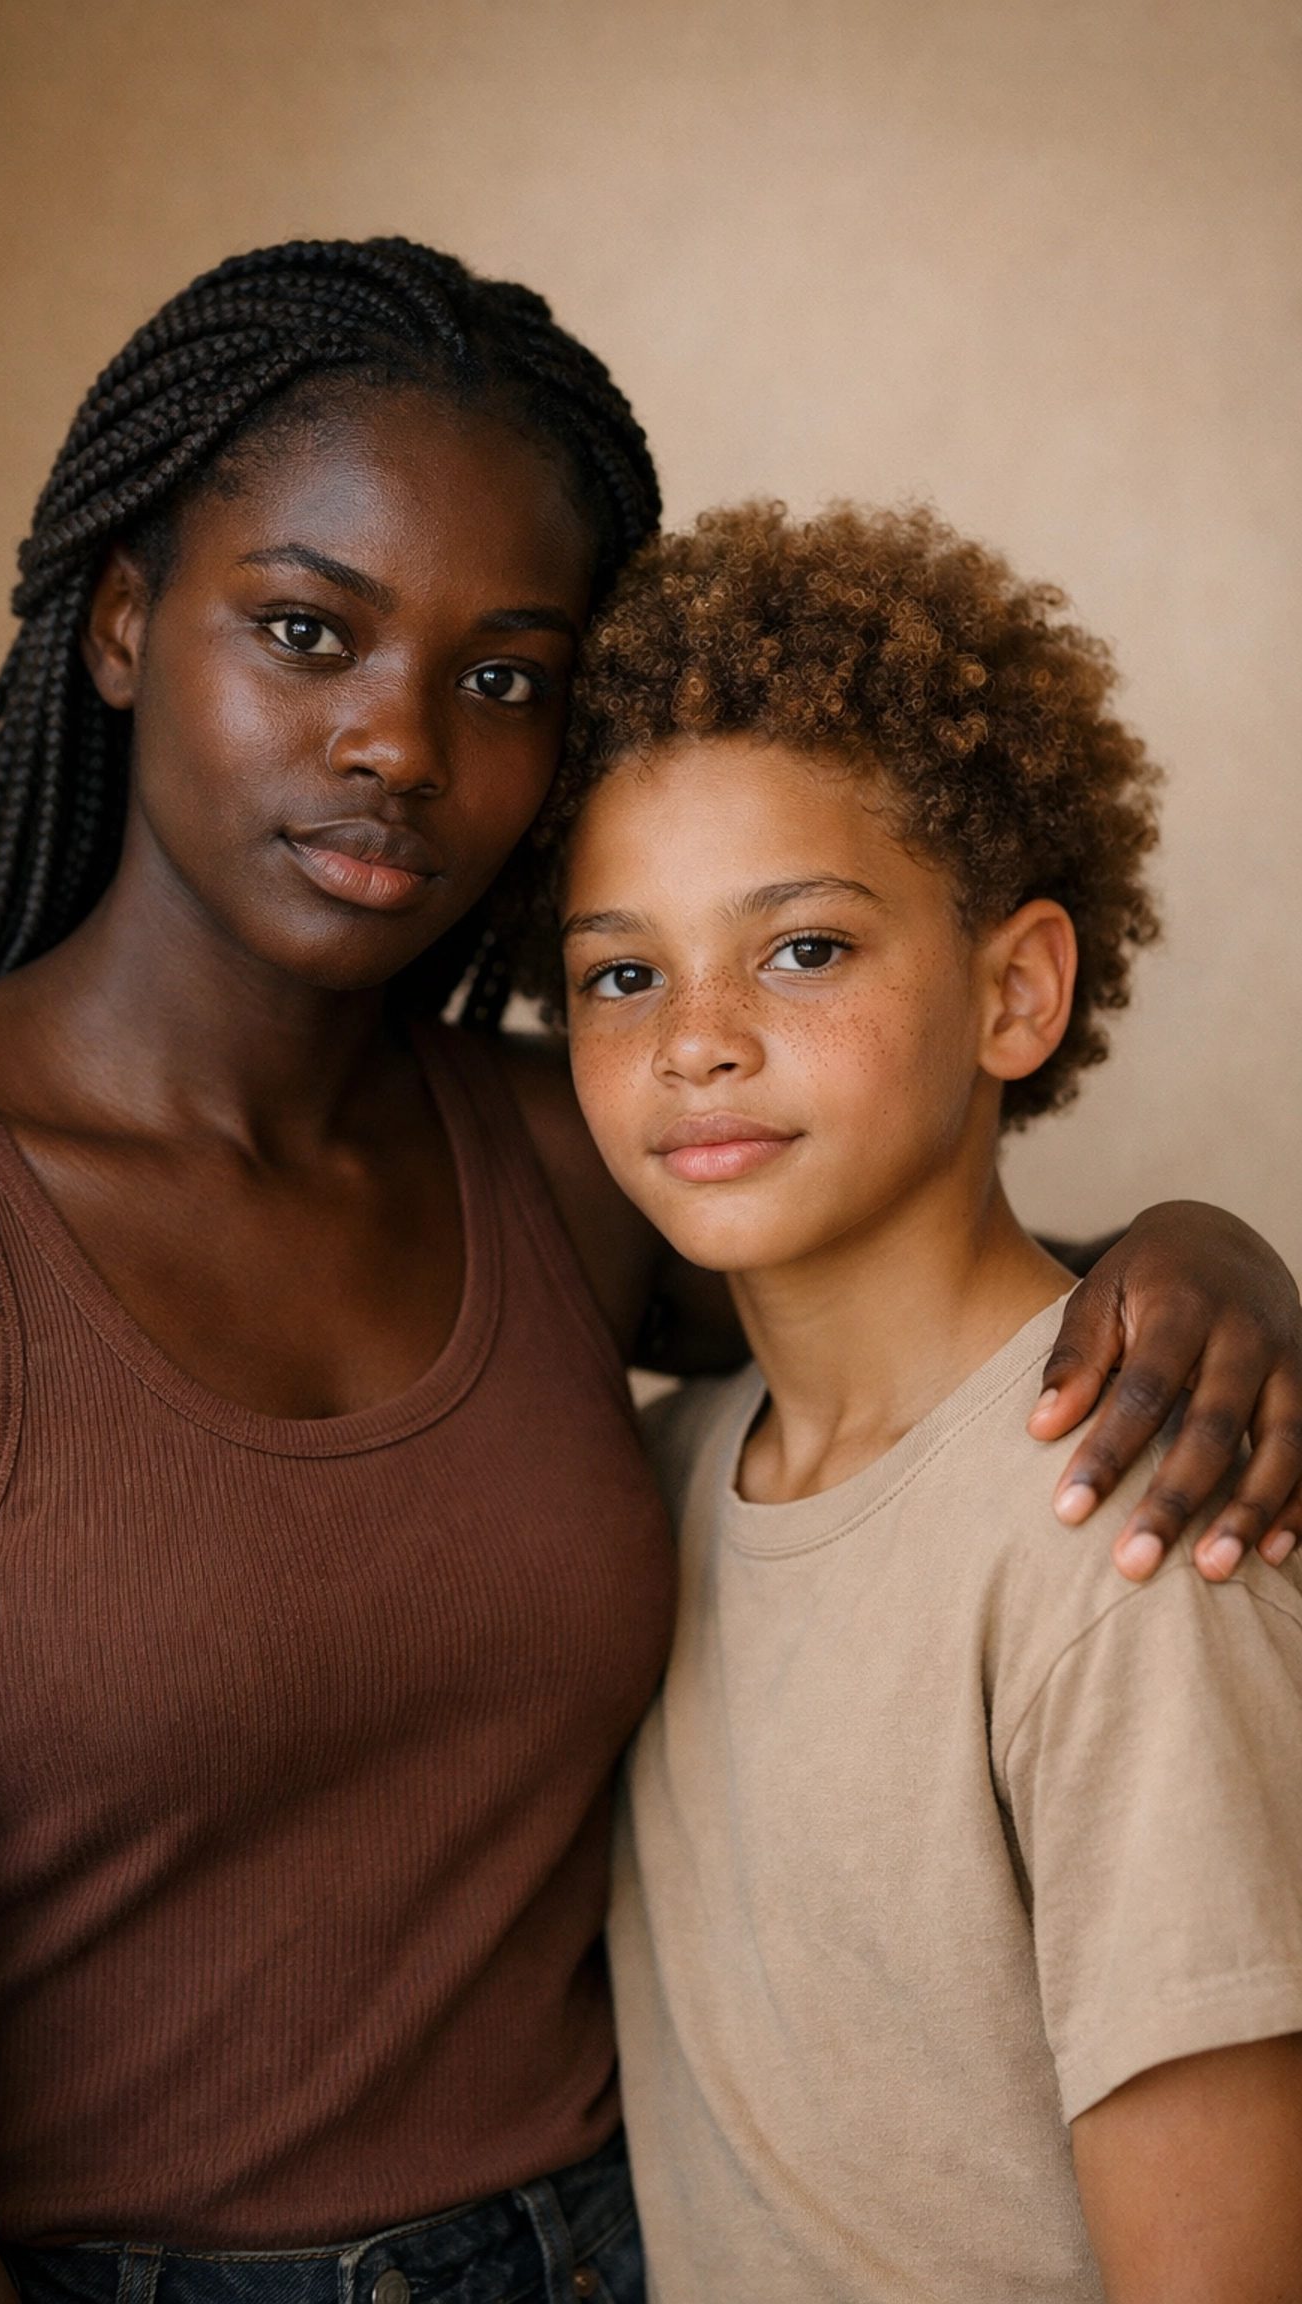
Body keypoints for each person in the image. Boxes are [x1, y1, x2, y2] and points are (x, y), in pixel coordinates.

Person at [0, 244, 1296, 2304]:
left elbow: (920, 1334)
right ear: (124, 618)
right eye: (307, 631)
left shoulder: (571, 1154)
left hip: (612, 2258)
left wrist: (1219, 1260)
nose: (396, 742)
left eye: (502, 678)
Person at [546, 501, 1302, 2302]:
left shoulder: (1125, 1533)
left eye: (802, 948)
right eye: (621, 973)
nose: (695, 1039)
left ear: (1015, 990)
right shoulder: (641, 1486)